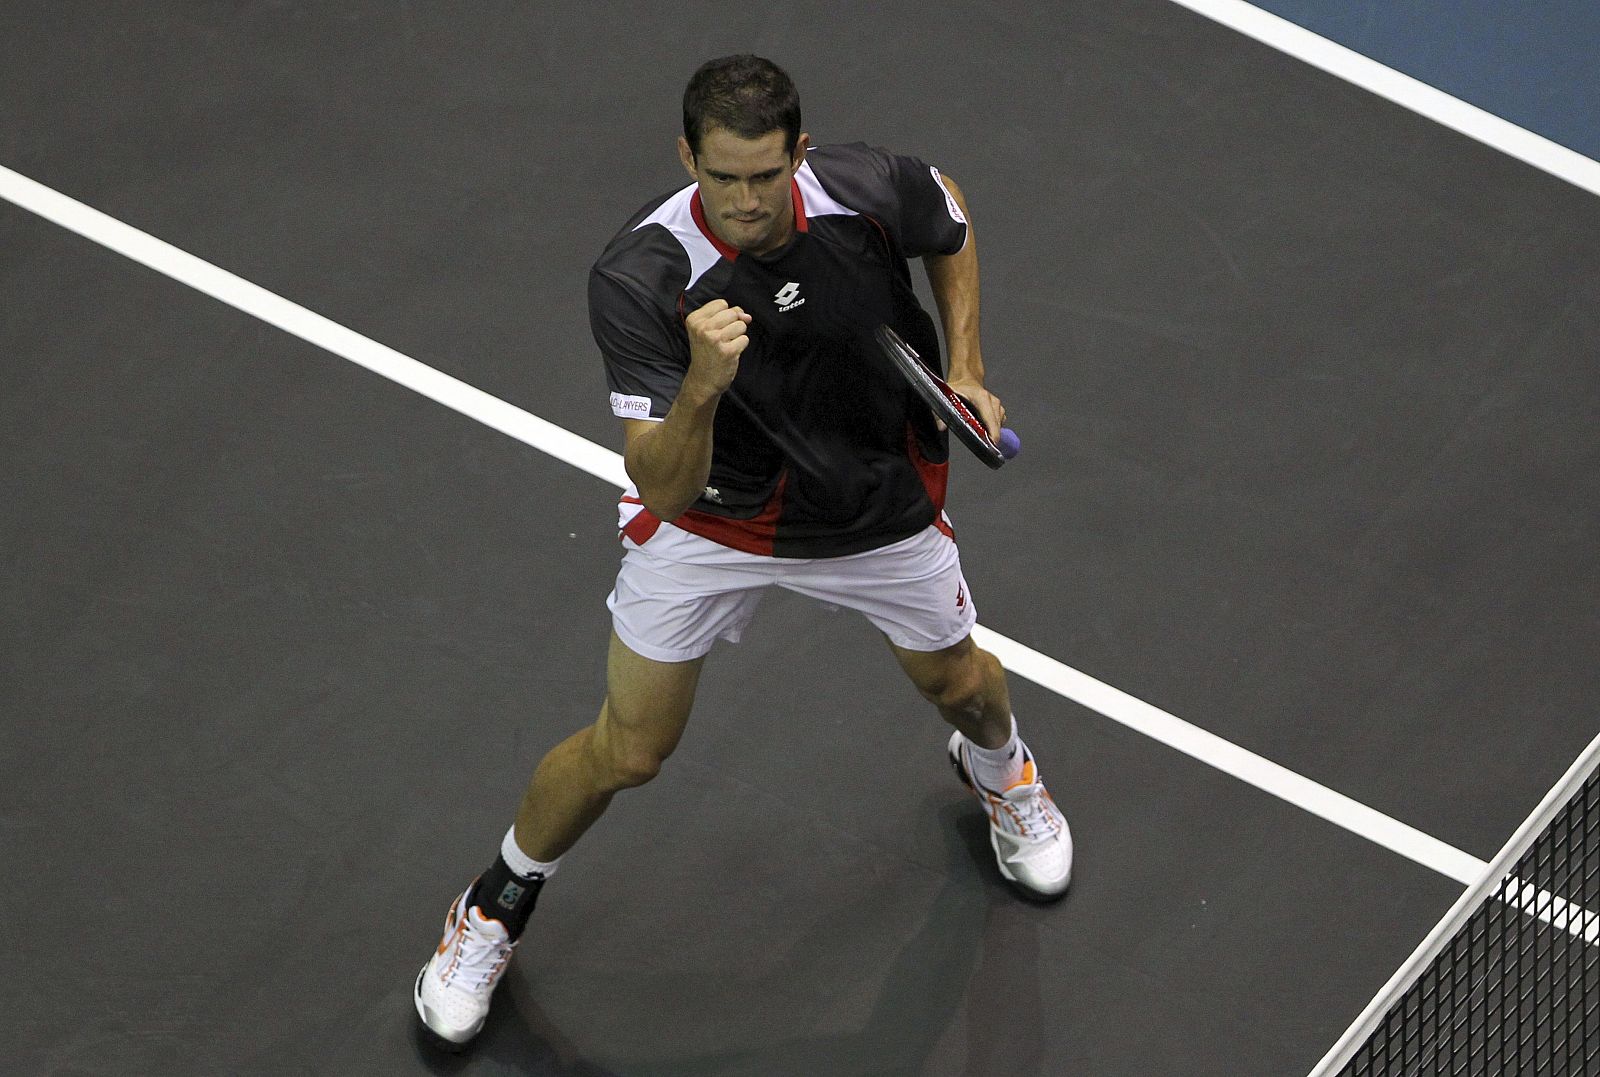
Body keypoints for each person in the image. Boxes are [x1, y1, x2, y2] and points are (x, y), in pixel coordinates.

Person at [415, 53, 1072, 1050]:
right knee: (629, 751)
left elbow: (950, 216)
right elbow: (665, 485)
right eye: (723, 177)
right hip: (714, 520)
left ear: (797, 154)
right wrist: (702, 384)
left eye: (766, 175)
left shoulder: (862, 188)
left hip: (874, 501)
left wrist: (969, 363)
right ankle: (494, 905)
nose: (748, 200)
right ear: (688, 158)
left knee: (961, 684)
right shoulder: (640, 277)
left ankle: (1004, 773)